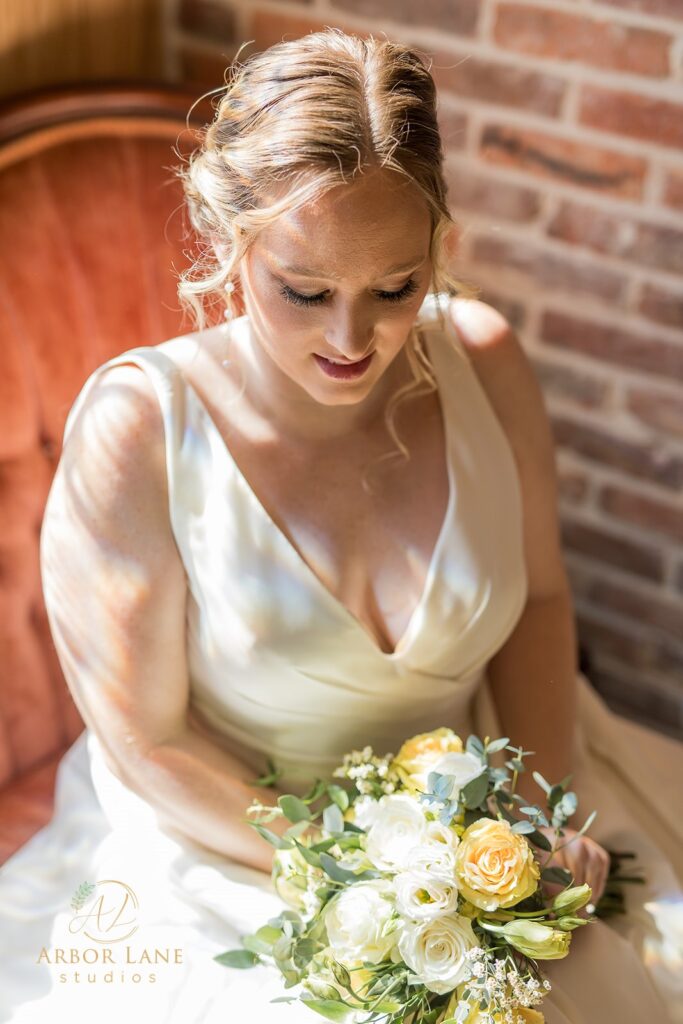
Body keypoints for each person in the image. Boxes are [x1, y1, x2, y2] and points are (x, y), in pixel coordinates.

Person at [0, 27, 681, 1024]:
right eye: (303, 291)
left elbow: (535, 601)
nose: (350, 340)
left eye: (394, 289)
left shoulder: (483, 359)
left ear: (438, 243)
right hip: (240, 850)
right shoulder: (138, 431)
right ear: (229, 242)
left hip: (501, 792)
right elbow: (148, 744)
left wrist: (527, 824)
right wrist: (393, 882)